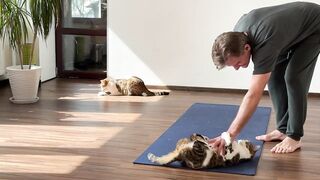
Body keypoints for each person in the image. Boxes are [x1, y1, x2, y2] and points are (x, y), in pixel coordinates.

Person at [209, 2, 320, 154]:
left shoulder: (264, 44)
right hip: (285, 32)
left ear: (247, 48)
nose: (236, 68)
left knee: (294, 77)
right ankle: (282, 130)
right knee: (274, 77)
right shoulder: (237, 36)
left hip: (314, 26)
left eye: (237, 63)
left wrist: (229, 134)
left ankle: (294, 136)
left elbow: (253, 94)